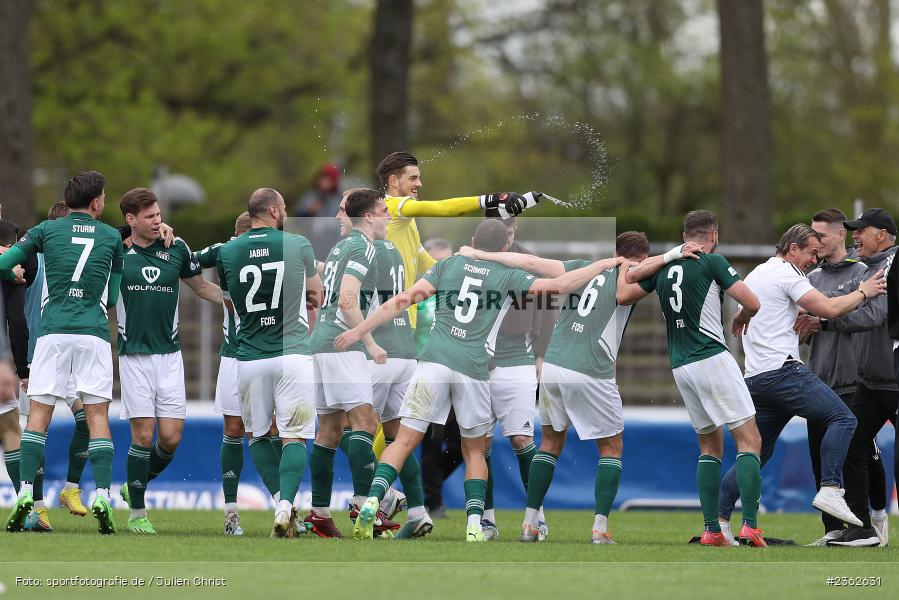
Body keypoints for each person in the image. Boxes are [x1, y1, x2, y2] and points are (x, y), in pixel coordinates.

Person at [336, 219, 626, 541]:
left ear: (473, 241)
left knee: (403, 441)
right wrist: (601, 265)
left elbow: (401, 301)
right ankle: (476, 524)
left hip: (433, 362)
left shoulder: (447, 265)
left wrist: (359, 331)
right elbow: (558, 287)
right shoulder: (508, 275)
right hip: (472, 368)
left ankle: (374, 498)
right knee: (475, 450)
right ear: (505, 247)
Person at [462, 231, 656, 544]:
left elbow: (528, 262)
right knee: (611, 448)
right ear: (642, 258)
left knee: (550, 444)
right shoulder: (634, 275)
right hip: (591, 368)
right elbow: (625, 294)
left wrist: (481, 255)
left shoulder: (581, 267)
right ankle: (600, 529)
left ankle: (530, 524)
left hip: (553, 364)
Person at [716, 223, 886, 532]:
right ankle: (831, 488)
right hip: (782, 372)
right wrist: (864, 292)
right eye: (811, 253)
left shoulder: (757, 274)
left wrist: (744, 315)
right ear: (793, 249)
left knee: (754, 454)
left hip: (755, 378)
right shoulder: (787, 274)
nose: (814, 261)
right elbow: (829, 308)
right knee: (843, 419)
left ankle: (720, 523)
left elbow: (755, 311)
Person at [627, 211, 766, 547]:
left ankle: (712, 530)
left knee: (709, 446)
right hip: (711, 357)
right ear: (714, 235)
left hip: (681, 366)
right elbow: (752, 302)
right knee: (750, 441)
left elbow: (624, 292)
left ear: (683, 235)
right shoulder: (712, 261)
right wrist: (743, 315)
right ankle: (750, 525)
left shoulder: (663, 266)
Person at [0, 171, 124, 534]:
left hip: (53, 334)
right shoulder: (110, 237)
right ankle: (102, 495)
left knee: (38, 416)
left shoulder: (45, 230)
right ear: (96, 202)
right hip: (93, 334)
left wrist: (12, 270)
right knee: (97, 417)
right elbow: (112, 298)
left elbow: (5, 264)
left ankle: (26, 494)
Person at [114, 188, 222, 534]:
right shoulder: (117, 250)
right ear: (131, 220)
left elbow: (201, 287)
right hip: (134, 356)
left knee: (171, 439)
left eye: (158, 215)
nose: (157, 221)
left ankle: (134, 485)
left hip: (170, 357)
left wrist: (237, 304)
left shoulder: (176, 247)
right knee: (142, 435)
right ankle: (137, 514)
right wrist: (121, 235)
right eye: (149, 216)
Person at [217, 188, 322, 537]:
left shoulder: (228, 251)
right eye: (285, 207)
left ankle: (281, 503)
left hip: (250, 357)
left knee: (257, 435)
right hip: (292, 354)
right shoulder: (298, 244)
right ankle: (285, 505)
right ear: (274, 211)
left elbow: (230, 302)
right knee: (294, 437)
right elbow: (316, 295)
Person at [333, 190, 432, 538]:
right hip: (405, 351)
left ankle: (378, 497)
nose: (340, 217)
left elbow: (350, 300)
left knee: (341, 427)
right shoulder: (393, 249)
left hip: (379, 352)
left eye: (343, 210)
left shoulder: (364, 249)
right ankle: (418, 512)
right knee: (396, 437)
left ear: (361, 215)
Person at [798, 208, 898, 547]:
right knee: (838, 452)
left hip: (867, 379)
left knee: (864, 453)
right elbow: (810, 324)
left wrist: (826, 319)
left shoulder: (874, 271)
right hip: (842, 380)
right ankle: (849, 529)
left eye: (820, 235)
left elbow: (873, 316)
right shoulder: (817, 277)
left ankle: (876, 517)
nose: (814, 241)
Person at [304, 189, 393, 539]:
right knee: (365, 422)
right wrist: (367, 340)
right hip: (342, 345)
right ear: (368, 217)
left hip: (321, 344)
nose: (389, 216)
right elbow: (346, 299)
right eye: (384, 211)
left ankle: (320, 515)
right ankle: (363, 507)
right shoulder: (362, 246)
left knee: (328, 431)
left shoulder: (340, 247)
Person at [376, 151, 538, 330]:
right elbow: (442, 208)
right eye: (413, 178)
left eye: (419, 178)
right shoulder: (391, 206)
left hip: (403, 317)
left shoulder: (405, 219)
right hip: (385, 317)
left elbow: (424, 262)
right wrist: (491, 199)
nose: (419, 184)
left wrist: (466, 273)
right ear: (393, 181)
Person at [479, 217, 556, 541]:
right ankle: (486, 520)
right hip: (477, 363)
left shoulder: (529, 263)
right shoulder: (471, 261)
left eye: (510, 232)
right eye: (502, 232)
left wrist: (541, 353)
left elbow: (548, 306)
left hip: (516, 361)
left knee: (522, 439)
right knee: (478, 444)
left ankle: (536, 517)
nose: (506, 239)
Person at [193, 211, 264, 536]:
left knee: (270, 431)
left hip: (267, 355)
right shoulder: (225, 251)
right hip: (236, 355)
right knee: (234, 429)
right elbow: (187, 261)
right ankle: (231, 512)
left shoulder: (277, 251)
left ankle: (284, 505)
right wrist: (216, 294)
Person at [293, 163, 343, 258]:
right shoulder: (310, 197)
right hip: (312, 245)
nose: (324, 182)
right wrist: (308, 211)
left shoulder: (340, 200)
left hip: (334, 246)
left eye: (328, 179)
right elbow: (296, 220)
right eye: (323, 178)